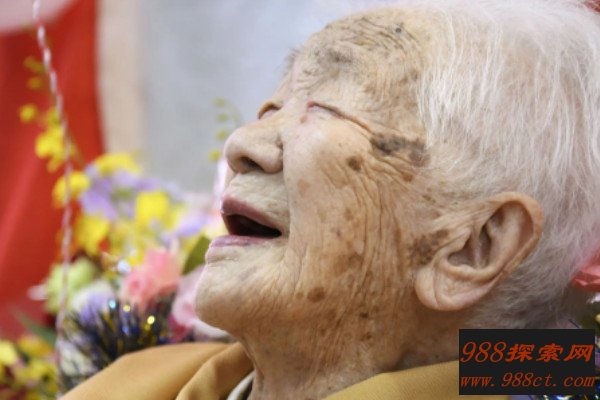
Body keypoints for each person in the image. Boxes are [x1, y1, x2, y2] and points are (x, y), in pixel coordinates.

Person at [63, 0, 600, 399]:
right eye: (273, 107)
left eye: (325, 108)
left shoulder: (561, 378)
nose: (242, 145)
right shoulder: (135, 385)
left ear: (472, 246)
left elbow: (566, 366)